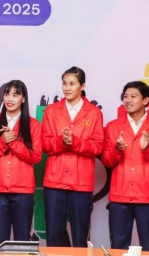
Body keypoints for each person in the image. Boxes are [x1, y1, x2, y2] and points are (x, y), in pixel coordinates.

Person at [101, 81, 149, 252]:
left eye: (133, 96)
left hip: (146, 197)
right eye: (125, 96)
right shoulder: (113, 127)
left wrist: (148, 149)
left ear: (145, 100)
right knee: (118, 248)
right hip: (120, 197)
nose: (128, 100)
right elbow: (106, 161)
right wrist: (117, 150)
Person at [41, 66, 104, 247]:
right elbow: (45, 144)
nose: (67, 88)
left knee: (80, 236)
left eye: (72, 84)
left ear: (82, 86)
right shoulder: (51, 111)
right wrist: (62, 141)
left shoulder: (94, 113)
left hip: (81, 182)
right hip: (55, 181)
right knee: (53, 236)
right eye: (64, 83)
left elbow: (98, 147)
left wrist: (75, 142)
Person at [0, 80, 42, 243]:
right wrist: (2, 142)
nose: (10, 99)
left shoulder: (33, 125)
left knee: (22, 241)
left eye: (15, 95)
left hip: (23, 191)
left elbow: (35, 156)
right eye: (7, 94)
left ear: (23, 99)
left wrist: (12, 143)